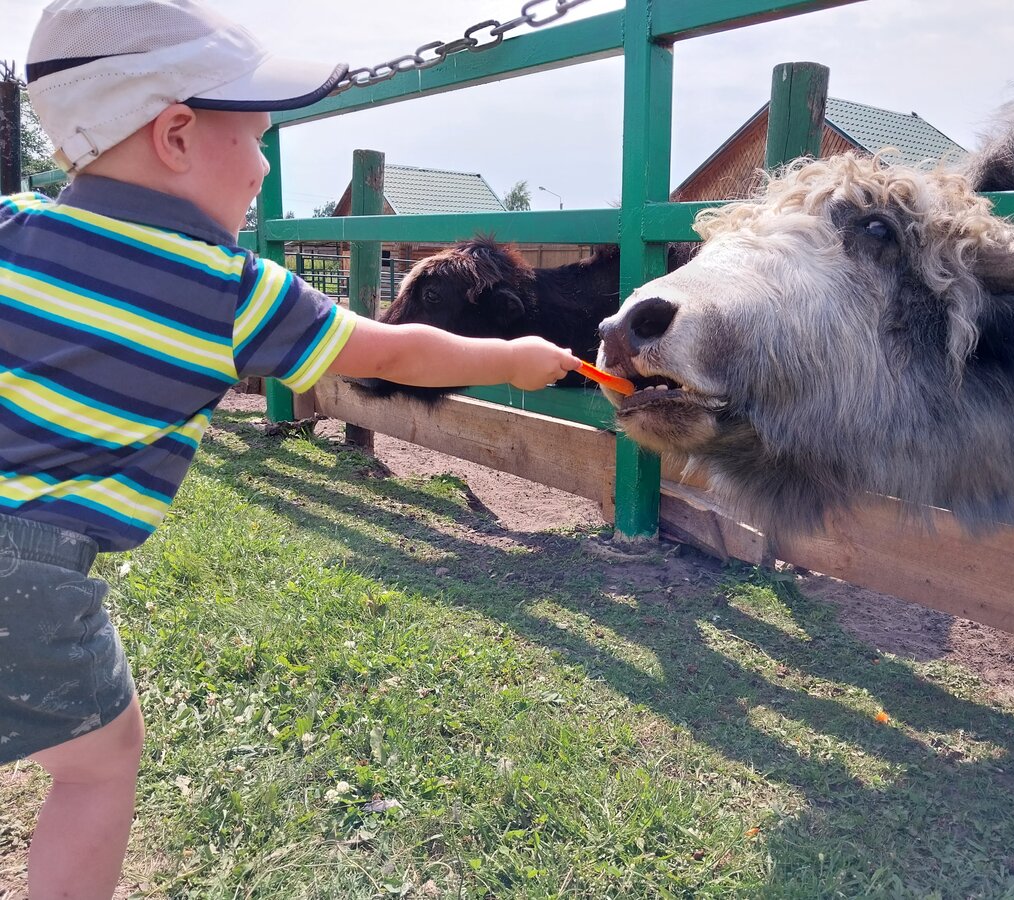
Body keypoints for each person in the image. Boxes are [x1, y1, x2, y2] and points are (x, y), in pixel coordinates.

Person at [0, 1, 580, 897]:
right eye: (259, 138)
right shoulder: (225, 290)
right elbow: (387, 350)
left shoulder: (9, 229)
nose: (267, 165)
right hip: (29, 577)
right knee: (96, 767)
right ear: (179, 135)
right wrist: (514, 357)